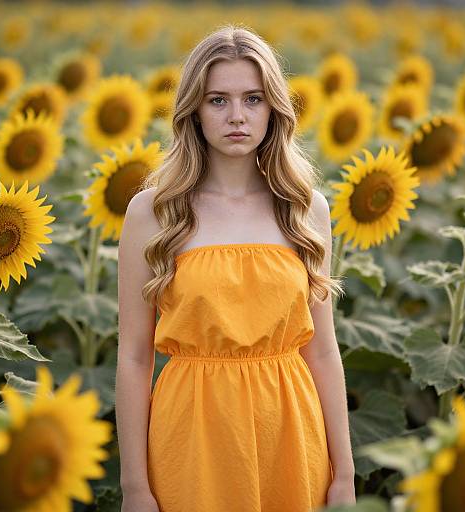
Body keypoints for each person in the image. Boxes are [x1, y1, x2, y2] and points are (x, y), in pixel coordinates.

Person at [115, 24, 356, 512]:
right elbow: (134, 358)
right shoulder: (153, 212)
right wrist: (134, 487)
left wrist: (345, 475)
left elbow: (324, 352)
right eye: (218, 101)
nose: (238, 116)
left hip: (290, 430)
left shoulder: (306, 209)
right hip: (192, 433)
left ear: (274, 109)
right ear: (194, 111)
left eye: (253, 98)